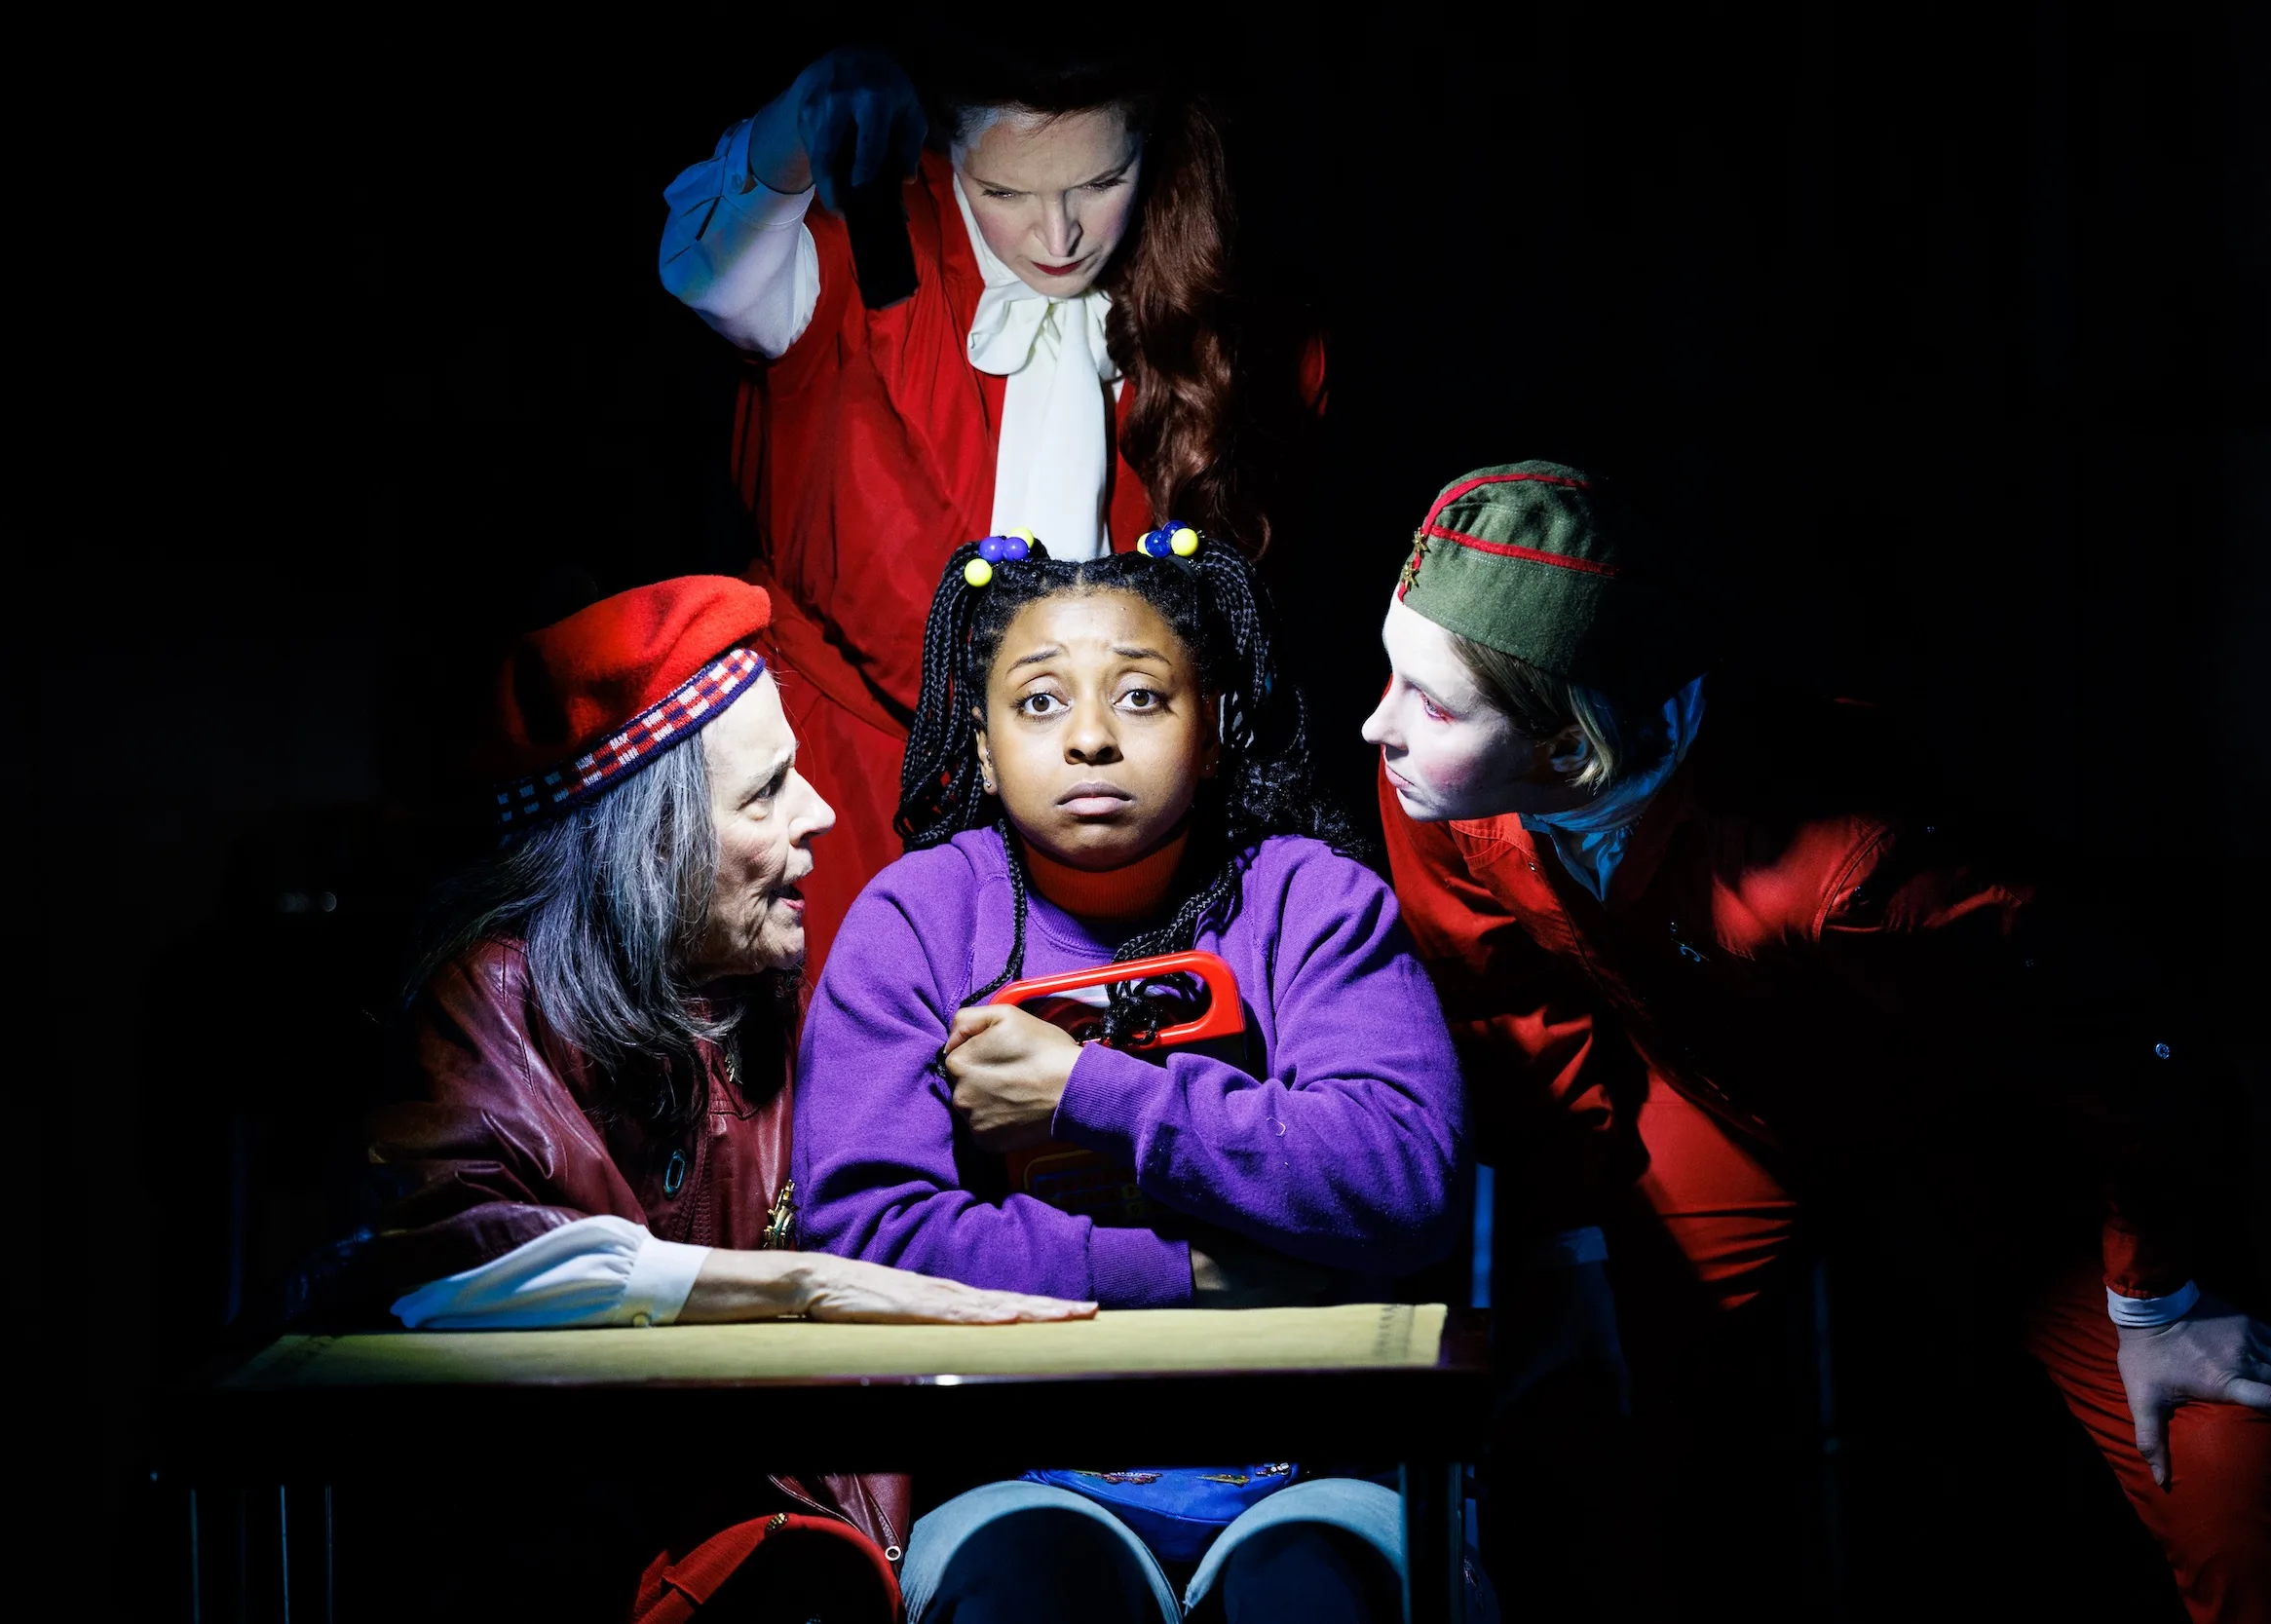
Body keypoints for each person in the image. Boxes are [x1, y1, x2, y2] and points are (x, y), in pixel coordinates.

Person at [1362, 461, 2271, 1622]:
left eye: (1428, 699)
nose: (1376, 721)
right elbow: (1503, 1001)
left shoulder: (1850, 870)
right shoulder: (1438, 783)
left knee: (2229, 1474)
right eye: (1390, 671)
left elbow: (2126, 1037)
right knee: (1570, 1411)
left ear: (1570, 748)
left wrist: (2155, 1297)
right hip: (1728, 1107)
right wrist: (1574, 1237)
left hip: (2000, 1135)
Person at [360, 576, 1092, 1613]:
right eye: (765, 791)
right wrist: (800, 1286)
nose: (821, 810)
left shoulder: (763, 997)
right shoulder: (492, 997)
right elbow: (444, 1259)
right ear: (650, 842)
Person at [794, 529, 1466, 1620]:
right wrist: (1201, 1275)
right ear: (977, 742)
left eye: (1145, 698)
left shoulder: (1312, 900)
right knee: (1024, 1586)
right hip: (1015, 1467)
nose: (1093, 739)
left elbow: (1401, 1176)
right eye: (1041, 700)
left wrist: (1084, 1090)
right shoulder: (915, 919)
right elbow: (867, 1238)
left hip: (1317, 1462)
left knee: (1311, 1588)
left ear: (1212, 731)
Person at [657, 39, 1317, 972]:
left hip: (1097, 830)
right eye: (1005, 193)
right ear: (949, 154)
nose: (1060, 238)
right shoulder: (844, 255)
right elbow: (706, 263)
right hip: (846, 809)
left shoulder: (1199, 307)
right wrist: (801, 117)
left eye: (1100, 180)